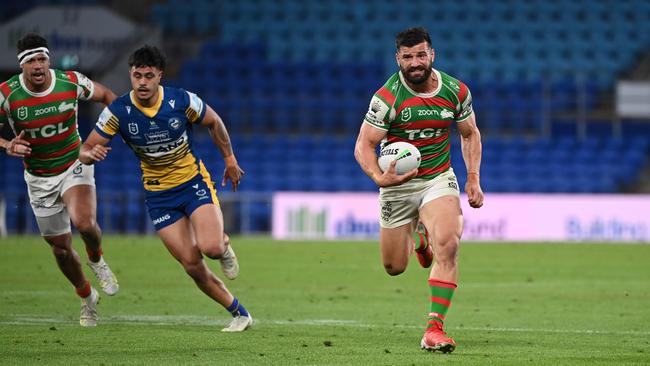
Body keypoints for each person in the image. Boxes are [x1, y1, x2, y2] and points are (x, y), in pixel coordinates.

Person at [79, 45, 252, 332]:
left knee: (209, 247)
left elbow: (214, 121)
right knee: (191, 264)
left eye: (149, 75)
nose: (143, 82)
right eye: (137, 76)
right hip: (159, 195)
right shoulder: (118, 111)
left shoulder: (181, 100)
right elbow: (86, 147)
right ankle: (239, 313)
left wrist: (230, 159)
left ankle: (223, 245)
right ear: (130, 75)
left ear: (160, 75)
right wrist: (89, 155)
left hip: (192, 183)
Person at [354, 27, 484, 353]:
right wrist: (377, 177)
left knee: (450, 242)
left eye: (421, 55)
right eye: (408, 57)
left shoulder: (455, 91)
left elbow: (470, 134)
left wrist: (472, 178)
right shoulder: (387, 98)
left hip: (437, 178)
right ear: (398, 58)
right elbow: (364, 145)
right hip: (397, 186)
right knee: (394, 266)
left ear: (432, 55)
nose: (415, 62)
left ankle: (434, 328)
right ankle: (419, 239)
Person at [0, 33, 119, 327]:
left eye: (42, 59)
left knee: (85, 222)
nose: (38, 66)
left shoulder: (70, 82)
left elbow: (108, 97)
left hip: (74, 163)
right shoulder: (7, 94)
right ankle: (86, 296)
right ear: (22, 66)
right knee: (61, 250)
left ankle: (97, 259)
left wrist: (105, 134)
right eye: (31, 61)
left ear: (48, 60)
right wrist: (7, 145)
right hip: (39, 177)